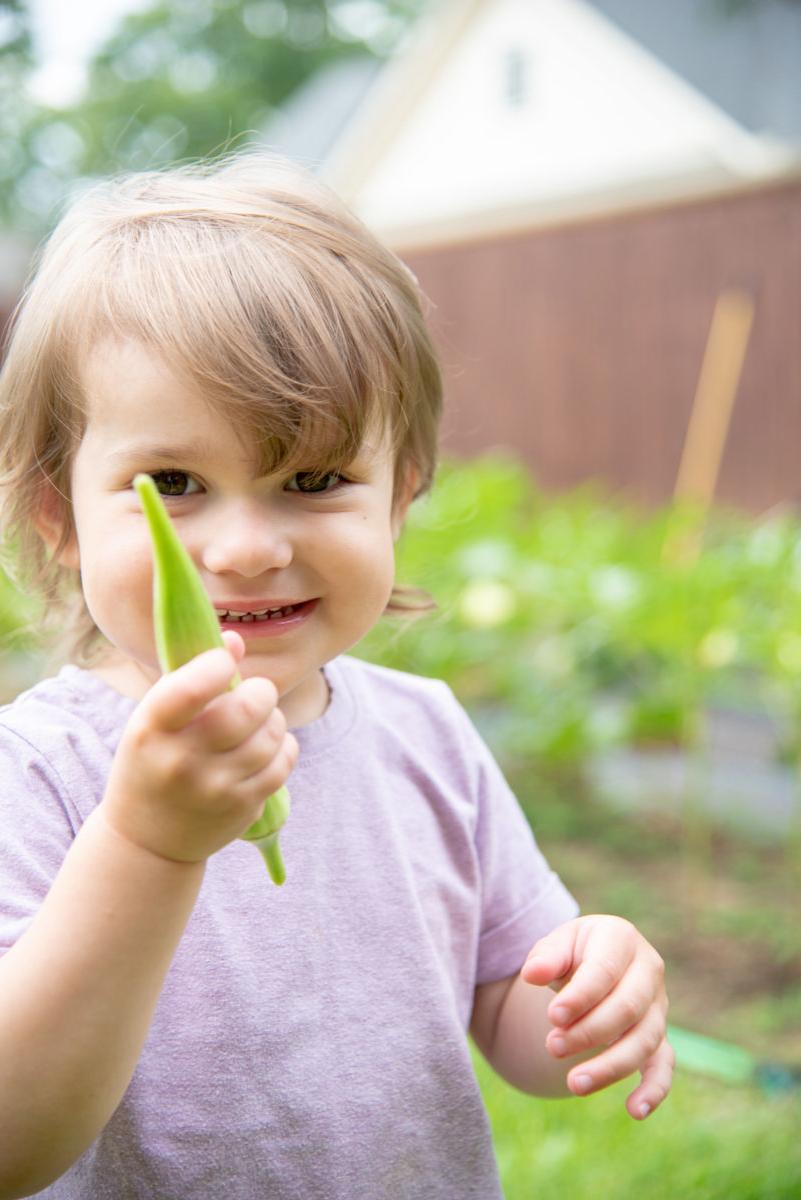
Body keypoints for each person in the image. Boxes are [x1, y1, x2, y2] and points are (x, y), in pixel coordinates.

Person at [0, 153, 672, 1199]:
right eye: (173, 484)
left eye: (314, 479)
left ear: (400, 495)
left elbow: (512, 1018)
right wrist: (146, 841)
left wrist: (588, 990)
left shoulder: (429, 734)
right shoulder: (38, 774)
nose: (245, 548)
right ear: (59, 516)